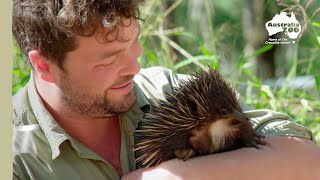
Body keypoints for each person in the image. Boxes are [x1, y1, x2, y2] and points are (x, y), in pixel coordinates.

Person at [12, 0, 320, 180]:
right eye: (109, 59)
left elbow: (309, 161)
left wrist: (171, 176)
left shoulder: (162, 89)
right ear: (44, 65)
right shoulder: (16, 156)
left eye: (134, 42)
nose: (134, 66)